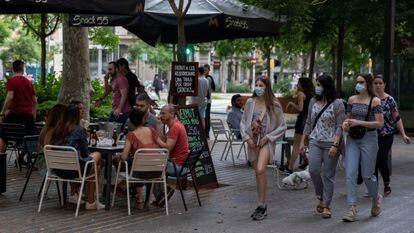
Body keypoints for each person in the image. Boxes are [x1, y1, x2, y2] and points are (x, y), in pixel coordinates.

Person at [240, 76, 286, 221]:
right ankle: (261, 204)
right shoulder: (250, 102)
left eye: (261, 85)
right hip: (253, 142)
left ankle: (262, 204)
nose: (258, 87)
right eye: (257, 84)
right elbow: (243, 122)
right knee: (258, 173)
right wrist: (247, 139)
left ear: (267, 87)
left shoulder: (273, 104)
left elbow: (282, 126)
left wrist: (269, 137)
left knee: (261, 169)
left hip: (266, 141)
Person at [299, 75, 345, 219]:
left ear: (326, 86)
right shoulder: (313, 101)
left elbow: (340, 126)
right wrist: (302, 141)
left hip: (331, 143)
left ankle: (326, 205)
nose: (316, 87)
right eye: (316, 84)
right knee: (313, 169)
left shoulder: (338, 103)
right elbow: (308, 122)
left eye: (319, 85)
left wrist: (335, 145)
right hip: (315, 140)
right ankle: (320, 195)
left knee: (329, 174)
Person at [342, 74, 384, 222]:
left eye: (361, 82)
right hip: (353, 139)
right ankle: (352, 208)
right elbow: (347, 118)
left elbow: (379, 123)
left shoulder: (375, 101)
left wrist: (359, 123)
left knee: (367, 175)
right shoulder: (352, 100)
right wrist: (346, 124)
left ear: (368, 84)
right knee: (350, 173)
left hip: (369, 139)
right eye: (357, 82)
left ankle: (375, 197)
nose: (358, 84)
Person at [49, 104, 104, 209]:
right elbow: (85, 153)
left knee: (94, 166)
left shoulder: (57, 130)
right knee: (97, 156)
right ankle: (91, 201)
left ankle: (76, 194)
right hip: (74, 170)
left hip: (57, 170)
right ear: (77, 116)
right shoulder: (79, 130)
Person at [373, 75, 411, 196]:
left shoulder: (390, 100)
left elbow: (397, 118)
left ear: (384, 85)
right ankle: (373, 188)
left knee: (380, 159)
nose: (378, 85)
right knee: (372, 161)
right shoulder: (370, 99)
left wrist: (403, 134)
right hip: (371, 135)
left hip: (386, 135)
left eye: (380, 83)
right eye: (375, 83)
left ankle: (386, 182)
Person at [119, 108, 161, 209]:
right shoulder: (152, 130)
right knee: (138, 162)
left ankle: (135, 194)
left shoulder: (131, 135)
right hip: (156, 170)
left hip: (140, 172)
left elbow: (124, 157)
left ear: (131, 121)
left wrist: (119, 157)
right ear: (143, 120)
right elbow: (163, 145)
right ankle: (146, 198)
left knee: (130, 163)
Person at [0, 60, 38, 159]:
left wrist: (2, 113)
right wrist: (33, 116)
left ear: (13, 69)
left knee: (3, 136)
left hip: (14, 116)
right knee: (32, 139)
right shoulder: (28, 82)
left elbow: (10, 97)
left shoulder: (11, 81)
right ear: (23, 69)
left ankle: (1, 162)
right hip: (27, 118)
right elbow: (35, 101)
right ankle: (21, 158)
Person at [156, 105, 189, 204]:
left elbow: (167, 148)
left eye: (163, 113)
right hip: (182, 163)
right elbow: (164, 141)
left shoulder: (175, 127)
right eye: (160, 113)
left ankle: (163, 193)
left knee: (151, 167)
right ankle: (162, 195)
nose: (160, 116)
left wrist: (155, 139)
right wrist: (159, 126)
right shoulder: (176, 124)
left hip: (176, 165)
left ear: (172, 114)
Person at [286, 77, 314, 173]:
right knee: (307, 144)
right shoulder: (312, 95)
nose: (297, 85)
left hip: (302, 120)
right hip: (309, 120)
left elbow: (300, 109)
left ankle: (290, 167)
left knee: (296, 145)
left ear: (302, 85)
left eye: (298, 83)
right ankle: (307, 161)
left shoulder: (301, 93)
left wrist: (291, 103)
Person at [95, 61, 130, 127]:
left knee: (116, 132)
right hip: (115, 110)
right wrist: (105, 80)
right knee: (110, 130)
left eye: (111, 69)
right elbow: (108, 90)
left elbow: (124, 95)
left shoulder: (121, 79)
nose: (109, 72)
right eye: (108, 69)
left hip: (122, 112)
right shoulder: (114, 79)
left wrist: (119, 108)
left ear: (116, 69)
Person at [204, 64, 216, 139]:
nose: (205, 71)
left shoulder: (208, 78)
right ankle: (206, 133)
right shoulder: (207, 78)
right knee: (206, 117)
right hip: (207, 101)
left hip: (207, 101)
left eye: (206, 70)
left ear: (209, 70)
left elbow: (207, 90)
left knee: (206, 117)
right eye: (204, 70)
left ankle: (206, 133)